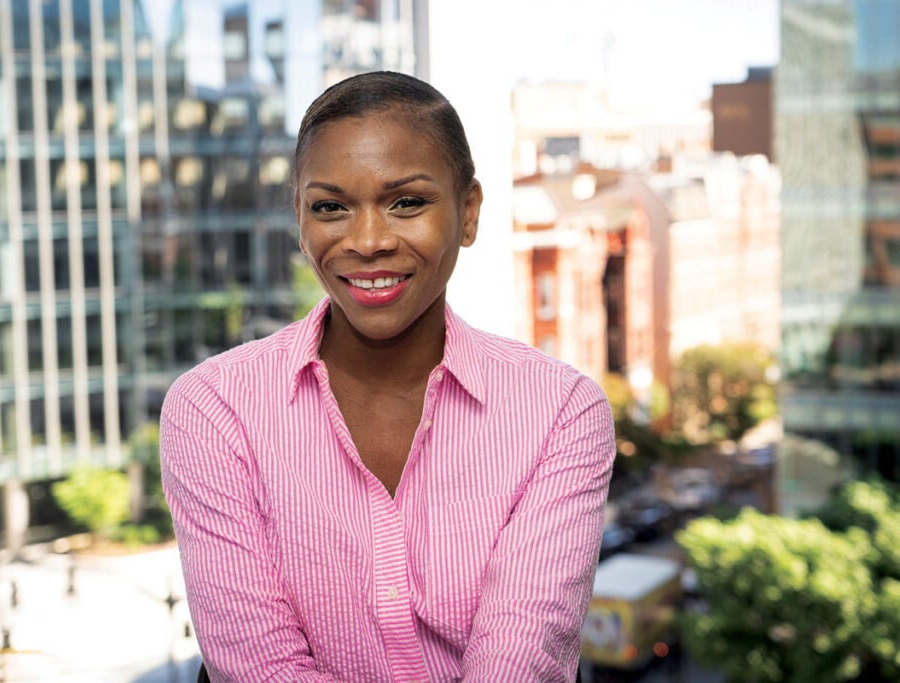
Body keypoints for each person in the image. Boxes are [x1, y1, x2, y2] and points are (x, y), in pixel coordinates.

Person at [161, 71, 616, 682]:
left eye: (407, 201)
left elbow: (518, 664)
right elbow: (261, 669)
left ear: (469, 212)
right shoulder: (212, 409)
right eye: (331, 207)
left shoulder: (561, 411)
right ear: (299, 218)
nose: (368, 240)